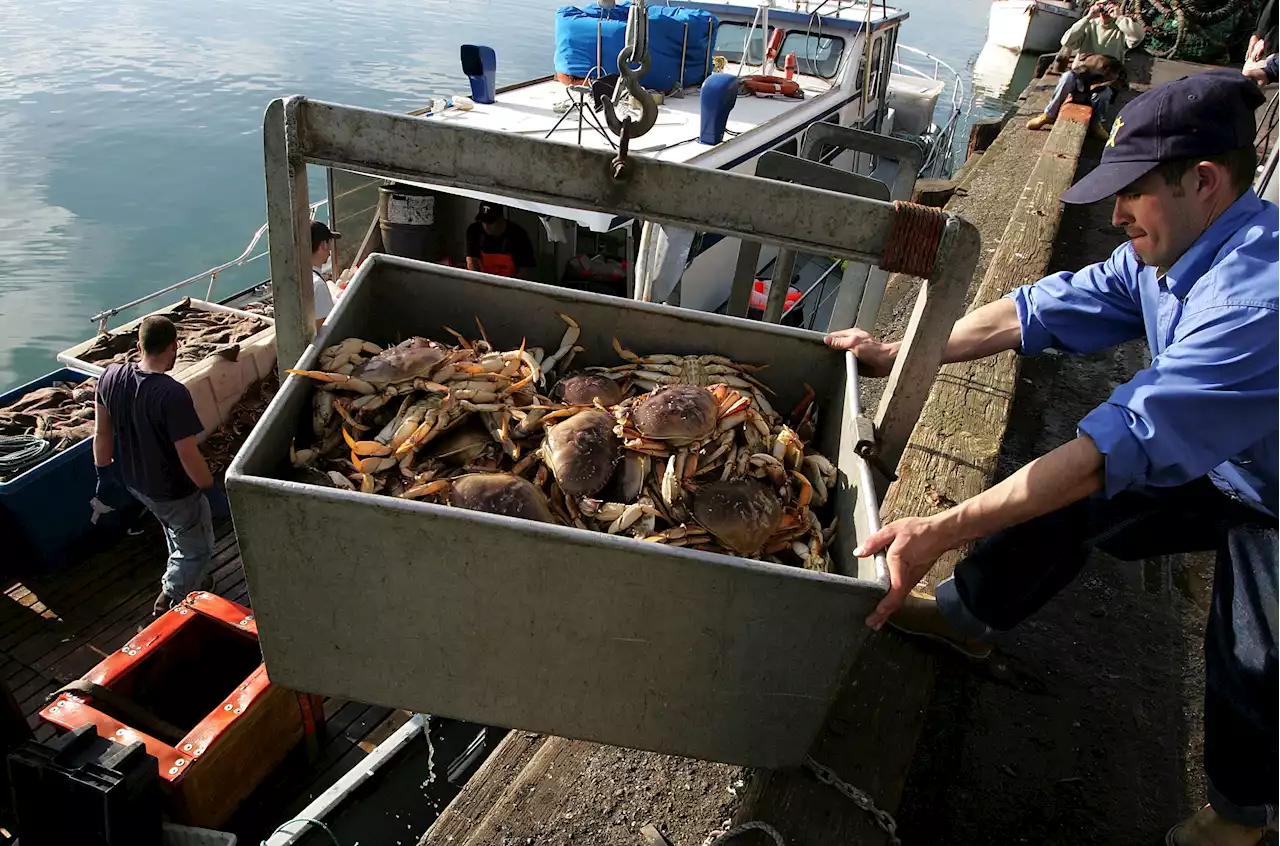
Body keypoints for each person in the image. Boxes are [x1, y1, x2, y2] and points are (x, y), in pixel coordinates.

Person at [828, 70, 1277, 845]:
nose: (1114, 214)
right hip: (1221, 454)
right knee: (1063, 502)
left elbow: (1113, 450)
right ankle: (969, 616)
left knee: (1252, 647)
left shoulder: (1255, 305)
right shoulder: (1169, 249)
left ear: (1203, 181)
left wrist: (940, 526)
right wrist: (899, 353)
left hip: (1273, 491)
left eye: (1132, 192)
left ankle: (1241, 819)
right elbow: (1033, 311)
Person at [93, 315, 217, 617]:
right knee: (197, 547)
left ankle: (196, 578)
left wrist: (103, 473)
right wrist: (208, 485)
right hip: (173, 490)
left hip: (136, 482)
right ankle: (170, 598)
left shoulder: (109, 376)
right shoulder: (172, 394)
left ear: (139, 346)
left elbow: (101, 433)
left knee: (175, 531)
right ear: (174, 346)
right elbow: (187, 453)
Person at [1028, 1, 1145, 140]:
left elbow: (1138, 37)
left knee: (1104, 95)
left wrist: (1119, 17)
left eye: (1110, 5)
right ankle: (1049, 114)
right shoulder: (1090, 25)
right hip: (1082, 74)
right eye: (1102, 4)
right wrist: (1087, 18)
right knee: (1066, 78)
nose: (1105, 9)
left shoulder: (1121, 29)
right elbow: (1066, 41)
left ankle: (1096, 124)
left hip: (1105, 79)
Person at [465, 202, 537, 279]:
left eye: (491, 221)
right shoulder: (474, 231)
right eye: (483, 221)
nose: (486, 226)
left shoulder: (518, 235)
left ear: (501, 218)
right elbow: (471, 262)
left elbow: (526, 269)